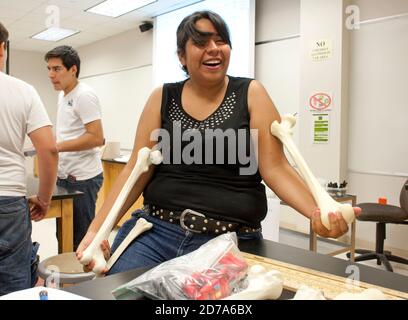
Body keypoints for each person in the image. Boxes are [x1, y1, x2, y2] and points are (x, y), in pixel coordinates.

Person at [77, 11, 361, 274]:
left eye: (221, 40)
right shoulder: (162, 97)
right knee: (121, 292)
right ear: (181, 56)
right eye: (201, 42)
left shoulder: (251, 93)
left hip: (230, 241)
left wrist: (320, 212)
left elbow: (276, 168)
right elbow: (134, 171)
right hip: (157, 232)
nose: (213, 48)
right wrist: (96, 230)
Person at [0, 22, 58, 295]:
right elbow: (48, 150)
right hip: (8, 202)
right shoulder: (23, 91)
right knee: (13, 283)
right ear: (3, 49)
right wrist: (44, 200)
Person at [44, 46, 104, 251]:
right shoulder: (63, 94)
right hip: (65, 175)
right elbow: (69, 132)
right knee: (64, 233)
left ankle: (83, 282)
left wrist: (57, 147)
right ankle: (65, 280)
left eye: (57, 69)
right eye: (49, 69)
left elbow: (96, 137)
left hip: (84, 179)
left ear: (73, 69)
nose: (51, 75)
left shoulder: (84, 95)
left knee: (80, 237)